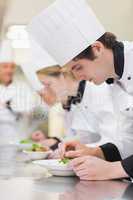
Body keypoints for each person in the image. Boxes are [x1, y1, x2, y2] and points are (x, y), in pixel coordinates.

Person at [28, 0, 133, 180]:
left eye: (78, 68)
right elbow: (128, 142)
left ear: (97, 48)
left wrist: (115, 169)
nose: (77, 78)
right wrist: (94, 152)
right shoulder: (114, 82)